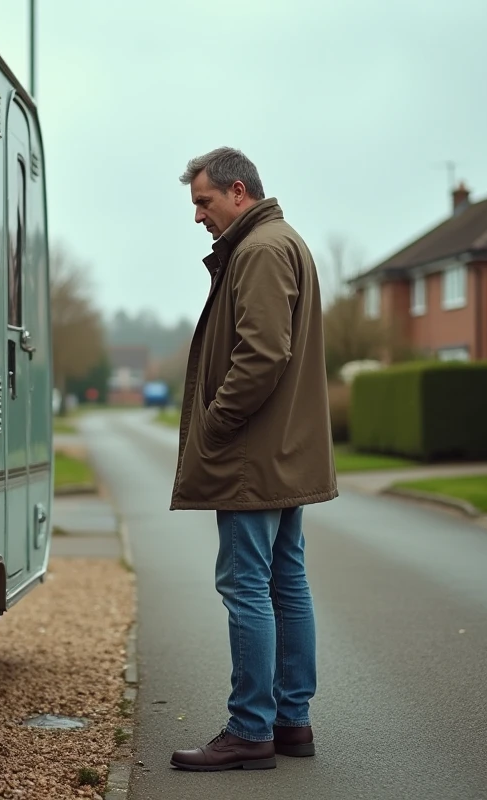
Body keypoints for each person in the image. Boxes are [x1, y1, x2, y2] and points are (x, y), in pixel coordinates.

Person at [168, 147, 338, 771]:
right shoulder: (277, 241)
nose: (198, 216)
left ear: (238, 192)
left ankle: (250, 729)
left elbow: (262, 354)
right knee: (284, 583)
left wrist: (216, 424)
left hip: (252, 456)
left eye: (203, 202)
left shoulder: (262, 250)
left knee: (248, 587)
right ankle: (291, 723)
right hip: (280, 453)